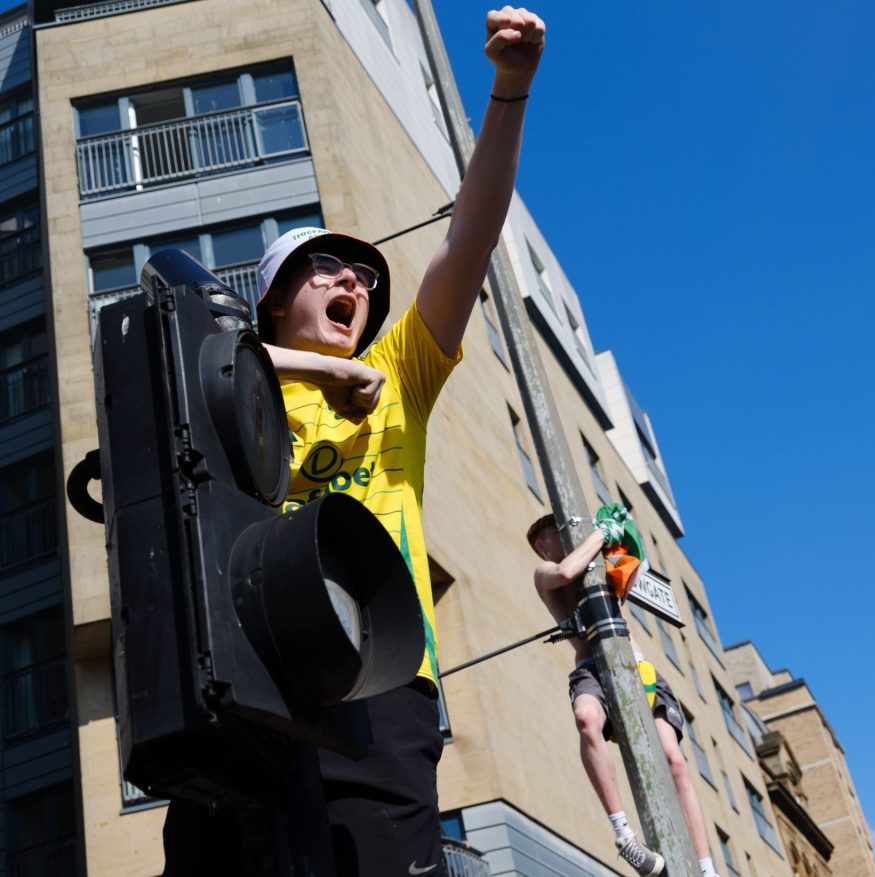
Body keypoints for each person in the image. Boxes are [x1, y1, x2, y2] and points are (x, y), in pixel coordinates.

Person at [252, 7, 546, 875]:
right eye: (327, 266)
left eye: (365, 278)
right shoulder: (235, 391)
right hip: (261, 689)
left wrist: (510, 90)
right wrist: (315, 374)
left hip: (382, 685)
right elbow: (166, 349)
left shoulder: (399, 375)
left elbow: (471, 238)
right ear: (272, 302)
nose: (355, 279)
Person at [527, 514, 721, 877]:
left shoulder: (598, 561)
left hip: (638, 665)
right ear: (543, 543)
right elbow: (568, 572)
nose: (571, 535)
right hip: (591, 667)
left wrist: (624, 540)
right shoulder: (545, 570)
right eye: (560, 532)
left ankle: (707, 869)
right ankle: (624, 836)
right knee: (586, 720)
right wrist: (601, 534)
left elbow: (632, 573)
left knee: (675, 761)